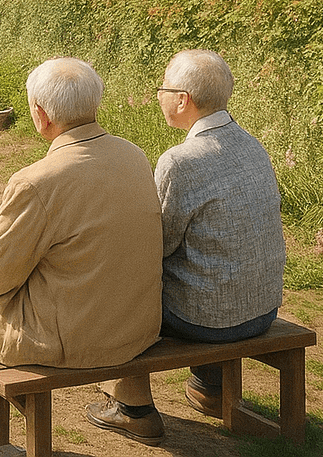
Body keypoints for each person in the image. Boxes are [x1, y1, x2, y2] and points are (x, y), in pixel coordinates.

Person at [0, 57, 162, 457]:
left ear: (40, 115)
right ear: (95, 104)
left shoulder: (38, 181)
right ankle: (135, 407)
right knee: (100, 274)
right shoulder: (135, 156)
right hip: (134, 327)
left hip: (65, 339)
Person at [87, 49, 286, 444]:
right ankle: (210, 388)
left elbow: (156, 245)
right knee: (213, 268)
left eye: (163, 87)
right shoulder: (252, 144)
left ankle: (133, 409)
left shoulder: (181, 160)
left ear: (183, 100)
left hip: (209, 320)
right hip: (261, 308)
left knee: (120, 285)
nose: (159, 94)